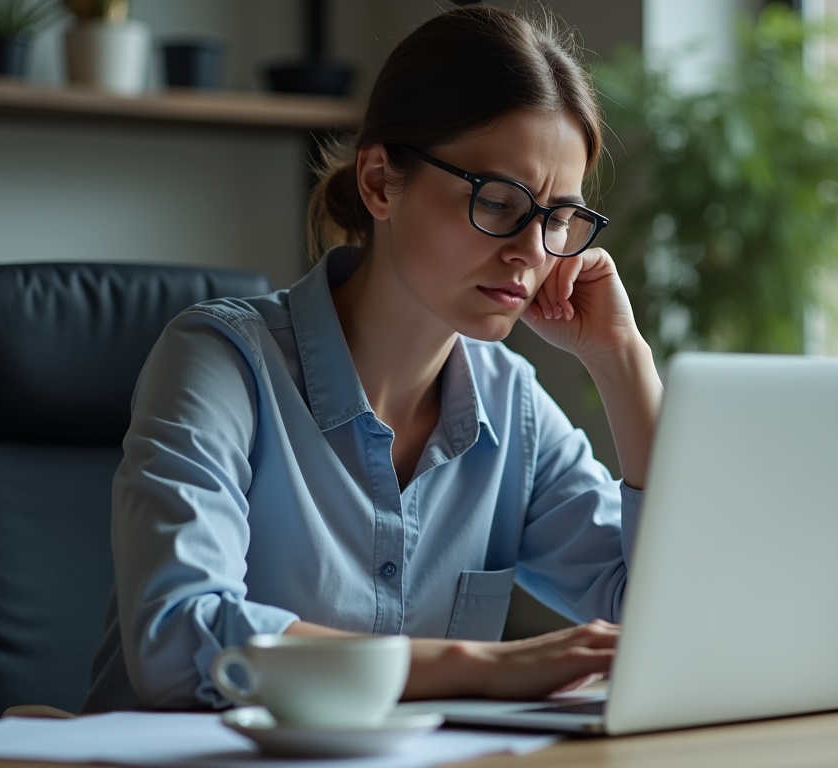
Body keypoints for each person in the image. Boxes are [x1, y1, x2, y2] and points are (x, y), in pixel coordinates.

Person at [83, 5, 662, 712]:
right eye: (500, 202)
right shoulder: (220, 363)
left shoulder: (513, 408)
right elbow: (175, 639)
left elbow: (670, 612)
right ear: (381, 181)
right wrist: (470, 665)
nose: (532, 253)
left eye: (558, 218)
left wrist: (622, 363)